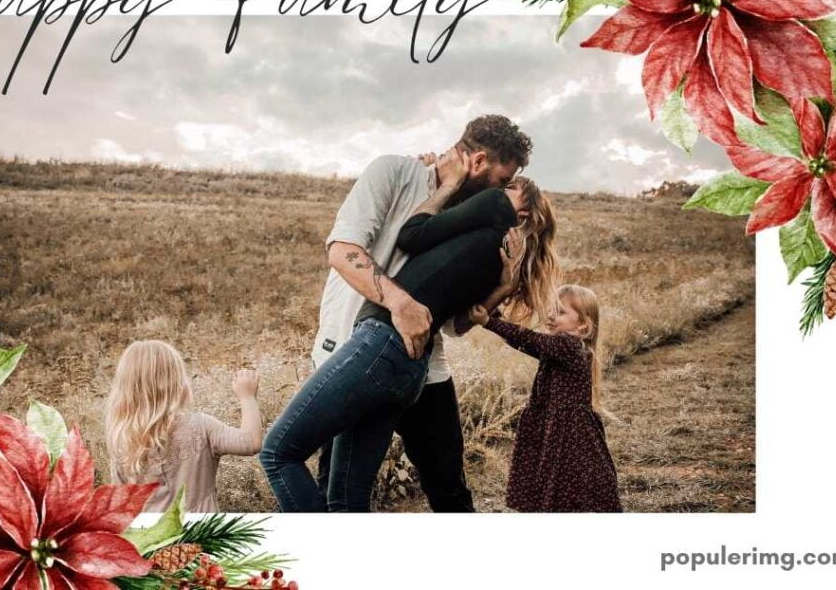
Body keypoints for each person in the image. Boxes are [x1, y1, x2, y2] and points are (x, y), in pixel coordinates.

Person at [260, 175, 559, 512]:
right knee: (345, 497)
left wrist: (447, 186)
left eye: (508, 189)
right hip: (411, 369)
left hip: (381, 344)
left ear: (519, 211)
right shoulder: (493, 253)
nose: (497, 191)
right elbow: (459, 324)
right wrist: (503, 289)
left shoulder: (493, 207)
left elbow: (410, 233)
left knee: (278, 453)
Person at [308, 115, 534, 512]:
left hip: (423, 365)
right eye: (501, 181)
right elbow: (342, 251)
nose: (500, 196)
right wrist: (400, 303)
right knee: (337, 489)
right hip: (351, 350)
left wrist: (503, 286)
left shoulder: (471, 217)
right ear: (478, 161)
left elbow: (456, 325)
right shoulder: (393, 171)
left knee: (448, 485)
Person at [469, 284, 623, 512]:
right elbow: (522, 342)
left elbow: (529, 339)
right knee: (562, 477)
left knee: (570, 477)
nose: (551, 315)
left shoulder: (568, 345)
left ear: (583, 325)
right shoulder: (558, 347)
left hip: (569, 431)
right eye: (551, 309)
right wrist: (494, 316)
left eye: (561, 312)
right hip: (557, 426)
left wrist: (489, 323)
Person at [104, 340, 263, 513]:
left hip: (153, 538)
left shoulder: (122, 440)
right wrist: (247, 397)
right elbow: (251, 442)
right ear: (175, 383)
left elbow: (120, 506)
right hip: (202, 535)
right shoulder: (200, 426)